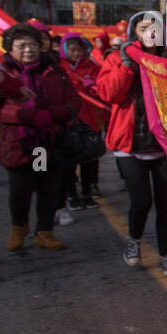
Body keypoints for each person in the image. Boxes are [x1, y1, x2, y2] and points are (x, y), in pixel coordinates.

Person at [96, 11, 167, 274]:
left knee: (166, 203)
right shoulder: (116, 59)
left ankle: (166, 254)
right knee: (141, 201)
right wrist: (127, 65)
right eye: (144, 28)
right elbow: (109, 93)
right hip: (129, 145)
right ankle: (133, 241)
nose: (150, 33)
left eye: (154, 27)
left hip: (162, 146)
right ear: (134, 32)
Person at [0, 23, 77, 252]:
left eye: (32, 44)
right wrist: (25, 115)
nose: (28, 50)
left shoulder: (52, 71)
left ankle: (44, 231)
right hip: (18, 141)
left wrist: (51, 114)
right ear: (10, 49)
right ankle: (18, 227)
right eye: (21, 46)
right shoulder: (0, 74)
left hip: (44, 143)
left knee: (46, 186)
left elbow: (72, 102)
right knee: (20, 189)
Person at [58, 33, 105, 209]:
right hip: (70, 121)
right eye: (72, 50)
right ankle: (71, 195)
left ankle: (87, 193)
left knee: (90, 159)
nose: (76, 54)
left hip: (90, 120)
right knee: (70, 161)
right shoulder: (59, 68)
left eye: (79, 50)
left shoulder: (92, 67)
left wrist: (92, 86)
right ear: (64, 50)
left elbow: (102, 89)